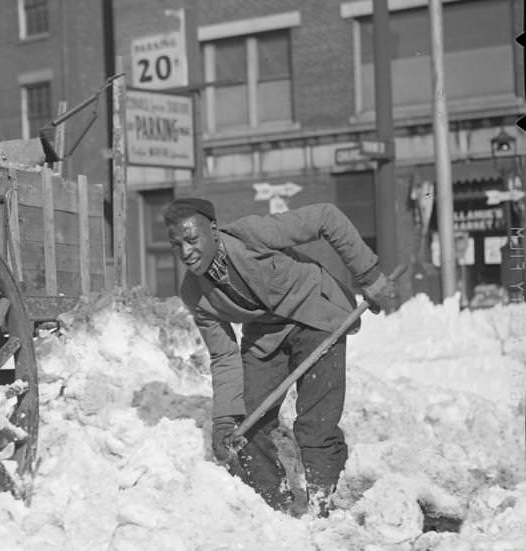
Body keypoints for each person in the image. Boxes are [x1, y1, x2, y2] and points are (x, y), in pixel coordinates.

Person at [162, 198, 395, 516]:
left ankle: (326, 506)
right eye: (177, 245)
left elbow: (325, 217)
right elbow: (224, 355)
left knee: (315, 425)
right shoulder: (194, 293)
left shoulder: (252, 234)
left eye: (192, 239)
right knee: (247, 424)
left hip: (318, 314)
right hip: (267, 337)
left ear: (213, 230)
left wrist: (368, 275)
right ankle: (274, 507)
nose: (186, 252)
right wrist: (223, 421)